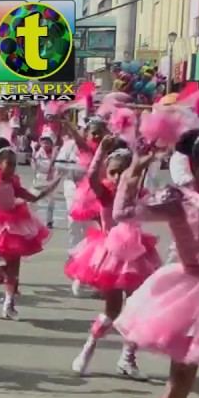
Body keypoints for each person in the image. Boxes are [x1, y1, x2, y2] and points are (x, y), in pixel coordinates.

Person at [110, 130, 199, 398]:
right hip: (193, 291)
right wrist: (135, 168)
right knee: (180, 375)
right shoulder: (177, 197)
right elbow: (123, 213)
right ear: (195, 164)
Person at [64, 137, 160, 379]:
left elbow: (143, 175)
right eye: (114, 172)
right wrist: (101, 152)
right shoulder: (105, 193)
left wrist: (145, 153)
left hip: (137, 256)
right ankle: (88, 348)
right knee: (113, 310)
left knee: (139, 310)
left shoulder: (138, 192)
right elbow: (93, 176)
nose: (118, 177)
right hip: (110, 257)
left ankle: (128, 359)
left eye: (122, 172)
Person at [0, 140, 63, 320]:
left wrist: (52, 186)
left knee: (15, 267)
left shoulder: (13, 182)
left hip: (15, 222)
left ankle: (4, 299)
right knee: (12, 267)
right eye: (9, 164)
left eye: (15, 164)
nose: (13, 168)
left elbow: (32, 197)